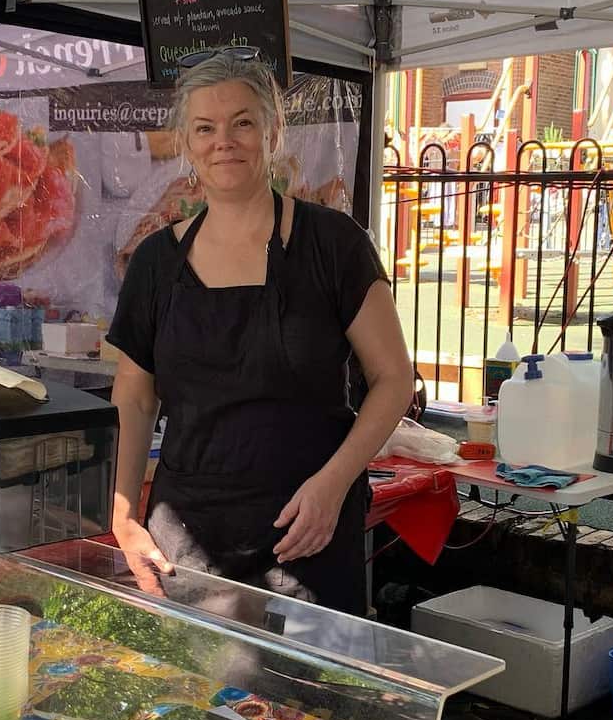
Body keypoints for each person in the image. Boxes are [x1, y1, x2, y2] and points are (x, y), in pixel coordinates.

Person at [106, 48, 413, 616]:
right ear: (187, 141)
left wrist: (334, 484)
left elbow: (394, 379)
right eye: (205, 128)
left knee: (312, 703)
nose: (224, 141)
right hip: (187, 542)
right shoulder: (155, 262)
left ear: (273, 131)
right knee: (198, 703)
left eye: (242, 122)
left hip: (309, 533)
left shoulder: (333, 244)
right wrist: (124, 514)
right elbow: (134, 393)